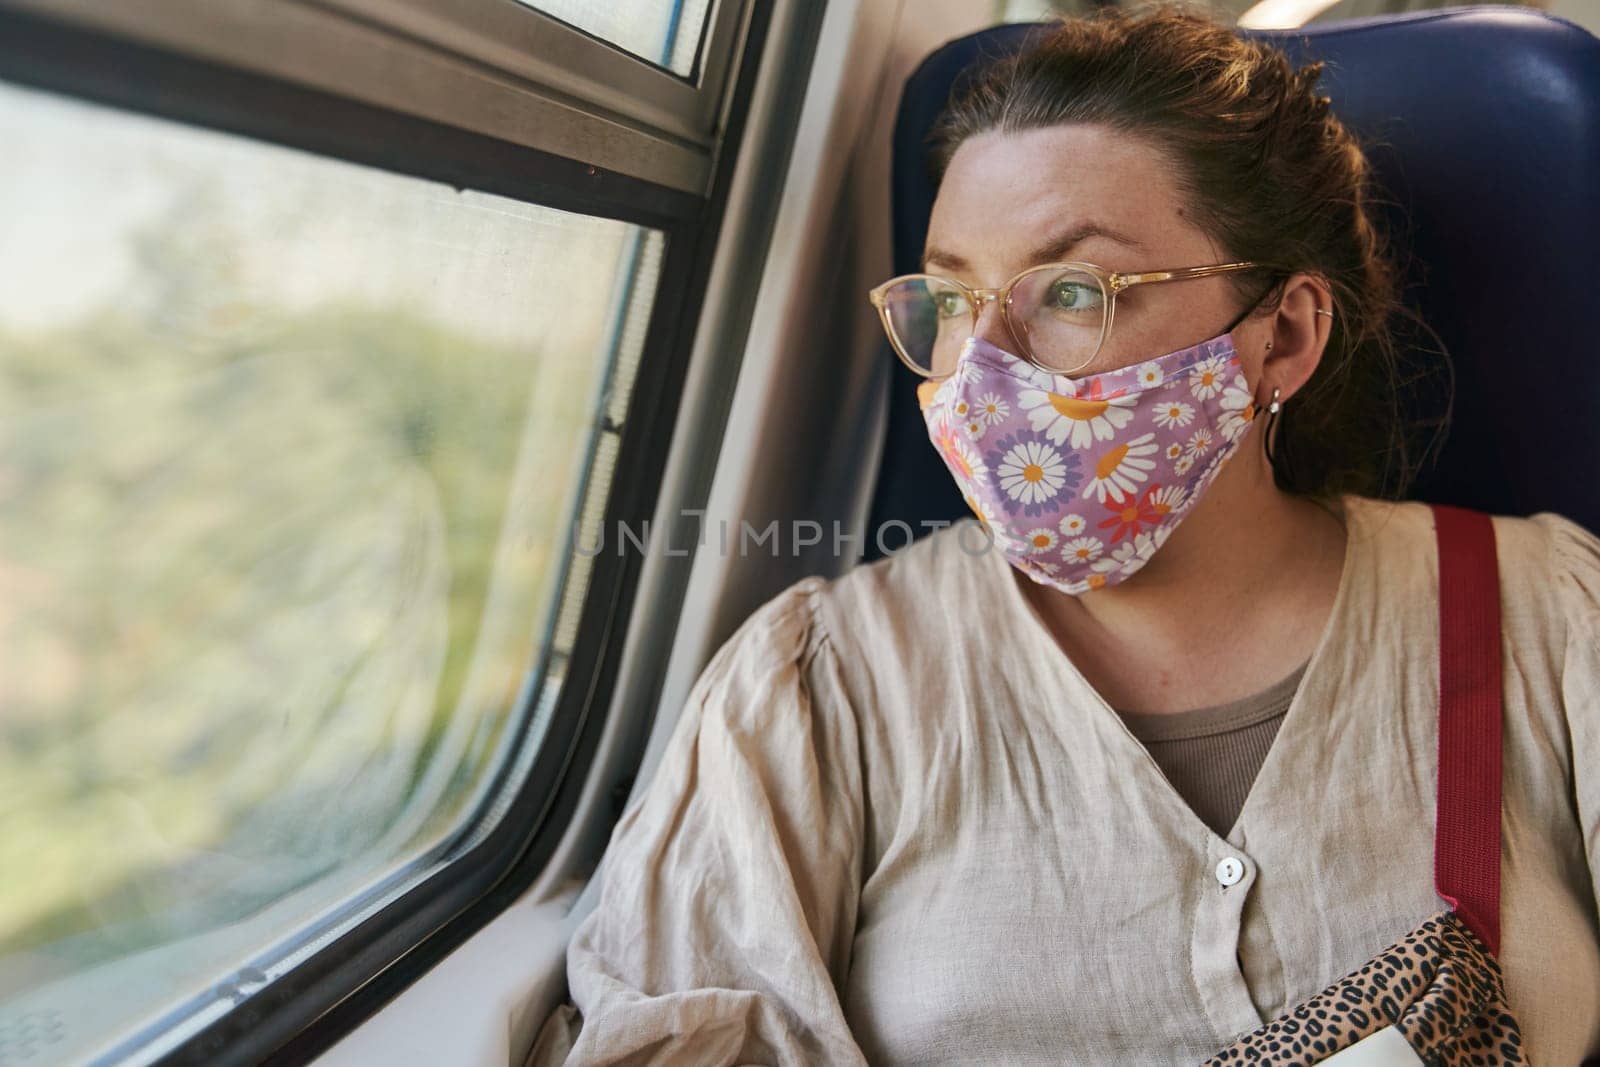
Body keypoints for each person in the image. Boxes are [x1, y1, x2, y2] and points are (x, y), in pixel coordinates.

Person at [527, 7, 1600, 1063]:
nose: (980, 372)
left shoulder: (1552, 619)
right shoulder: (821, 687)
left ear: (1280, 337)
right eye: (950, 300)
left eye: (1074, 290)